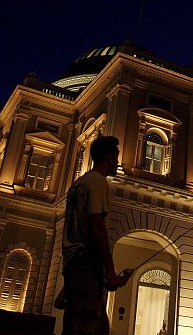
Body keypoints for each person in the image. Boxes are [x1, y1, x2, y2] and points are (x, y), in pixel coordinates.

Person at [61, 135, 132, 335]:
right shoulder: (98, 182)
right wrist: (110, 270)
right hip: (87, 264)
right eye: (116, 158)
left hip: (73, 263)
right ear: (109, 159)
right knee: (87, 323)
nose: (117, 163)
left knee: (90, 323)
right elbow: (97, 225)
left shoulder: (78, 184)